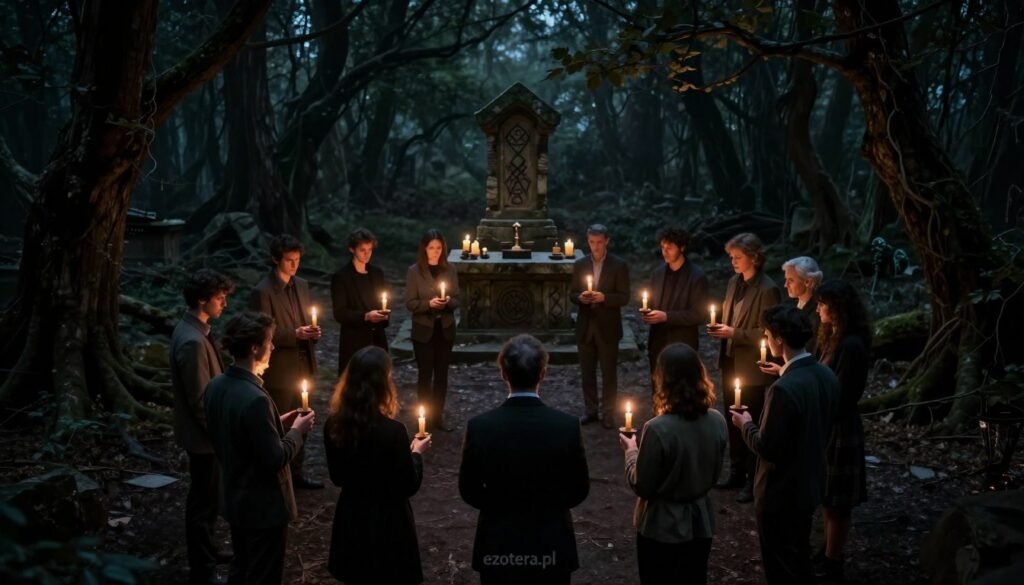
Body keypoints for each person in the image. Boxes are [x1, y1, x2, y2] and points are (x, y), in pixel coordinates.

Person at [459, 334, 590, 585]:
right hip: (550, 543)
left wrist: (500, 505)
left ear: (503, 374)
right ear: (543, 374)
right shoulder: (566, 427)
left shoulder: (481, 427)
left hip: (499, 544)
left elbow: (469, 490)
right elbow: (579, 489)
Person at [204, 311, 316, 585]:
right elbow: (274, 457)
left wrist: (276, 423)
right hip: (262, 508)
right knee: (263, 574)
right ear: (255, 347)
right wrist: (296, 432)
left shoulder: (216, 385)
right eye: (270, 341)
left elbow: (237, 433)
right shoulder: (254, 398)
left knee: (242, 567)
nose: (274, 346)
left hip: (234, 500)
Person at [730, 305, 838, 585]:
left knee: (780, 566)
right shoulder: (825, 375)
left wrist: (745, 424)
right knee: (799, 554)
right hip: (812, 484)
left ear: (778, 338)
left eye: (767, 334)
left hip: (781, 492)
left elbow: (767, 446)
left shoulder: (783, 390)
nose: (765, 338)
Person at [619, 343, 727, 585]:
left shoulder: (657, 429)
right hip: (700, 523)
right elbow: (714, 472)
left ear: (663, 379)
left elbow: (641, 484)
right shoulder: (718, 421)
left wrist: (631, 451)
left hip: (662, 527)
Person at [324, 346, 431, 585]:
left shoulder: (334, 425)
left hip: (352, 520)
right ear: (383, 384)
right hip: (388, 525)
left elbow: (338, 477)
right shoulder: (393, 431)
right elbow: (407, 484)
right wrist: (416, 453)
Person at [171, 269, 234, 585]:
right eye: (220, 298)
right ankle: (203, 568)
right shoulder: (193, 342)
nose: (224, 303)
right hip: (204, 439)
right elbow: (199, 401)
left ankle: (208, 552)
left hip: (206, 437)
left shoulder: (199, 331)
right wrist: (221, 433)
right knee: (202, 501)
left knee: (208, 498)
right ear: (201, 300)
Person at [708, 232, 781, 503]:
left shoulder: (767, 289)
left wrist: (734, 333)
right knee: (731, 419)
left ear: (754, 257)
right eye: (731, 257)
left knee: (749, 419)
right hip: (730, 361)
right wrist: (719, 329)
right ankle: (736, 472)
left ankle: (753, 478)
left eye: (738, 257)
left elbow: (769, 333)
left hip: (752, 368)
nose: (733, 262)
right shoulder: (732, 283)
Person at [249, 234, 323, 489]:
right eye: (289, 260)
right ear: (275, 259)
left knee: (304, 417)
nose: (294, 265)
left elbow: (305, 319)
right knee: (281, 422)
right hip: (279, 369)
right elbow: (261, 333)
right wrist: (295, 334)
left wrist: (312, 332)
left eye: (298, 260)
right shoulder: (262, 292)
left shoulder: (300, 285)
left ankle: (297, 473)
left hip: (304, 364)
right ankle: (280, 476)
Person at [813, 280, 871, 582]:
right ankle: (827, 551)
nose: (818, 308)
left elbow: (845, 393)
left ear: (838, 308)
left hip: (840, 427)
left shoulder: (851, 345)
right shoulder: (832, 337)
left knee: (838, 502)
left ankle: (834, 560)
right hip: (828, 426)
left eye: (823, 304)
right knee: (828, 496)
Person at [571, 223, 631, 428]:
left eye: (599, 242)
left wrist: (605, 297)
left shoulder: (618, 266)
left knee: (608, 373)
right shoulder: (580, 265)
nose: (595, 247)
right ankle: (590, 410)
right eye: (591, 242)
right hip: (586, 326)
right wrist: (580, 297)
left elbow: (624, 297)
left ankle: (608, 413)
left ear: (607, 241)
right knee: (587, 372)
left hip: (607, 327)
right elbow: (571, 294)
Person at [404, 229, 460, 431]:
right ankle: (424, 418)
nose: (435, 252)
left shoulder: (450, 269)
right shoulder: (414, 271)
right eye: (431, 248)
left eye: (438, 248)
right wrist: (429, 304)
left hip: (444, 330)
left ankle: (438, 418)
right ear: (424, 249)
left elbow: (457, 299)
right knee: (425, 375)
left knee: (442, 376)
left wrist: (447, 303)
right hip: (424, 330)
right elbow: (410, 303)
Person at [641, 226, 709, 379]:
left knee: (682, 389)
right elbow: (652, 304)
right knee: (658, 389)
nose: (665, 251)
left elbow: (698, 314)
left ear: (682, 247)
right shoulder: (658, 274)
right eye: (662, 247)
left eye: (670, 247)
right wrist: (647, 313)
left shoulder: (696, 277)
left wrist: (666, 316)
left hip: (683, 345)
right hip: (658, 343)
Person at [331, 228, 390, 373]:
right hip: (354, 341)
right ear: (352, 249)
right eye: (362, 250)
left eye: (370, 249)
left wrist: (383, 316)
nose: (367, 254)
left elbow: (383, 303)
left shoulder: (377, 274)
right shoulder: (342, 277)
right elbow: (340, 313)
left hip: (377, 339)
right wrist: (366, 316)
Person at [781, 256, 823, 353]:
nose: (785, 285)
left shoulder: (819, 313)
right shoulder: (788, 305)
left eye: (790, 280)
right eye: (786, 280)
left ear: (808, 282)